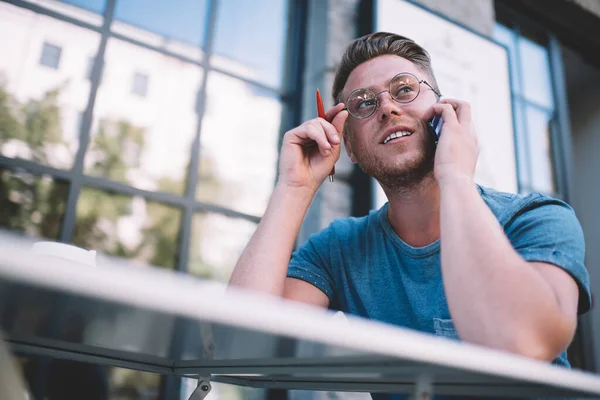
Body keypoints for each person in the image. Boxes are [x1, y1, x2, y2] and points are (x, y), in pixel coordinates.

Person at [230, 31, 591, 397]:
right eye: (363, 104)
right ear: (349, 146)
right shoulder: (338, 251)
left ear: (444, 113)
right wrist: (294, 188)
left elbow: (521, 343)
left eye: (404, 90)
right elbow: (241, 352)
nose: (387, 108)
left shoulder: (535, 219)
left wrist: (454, 174)